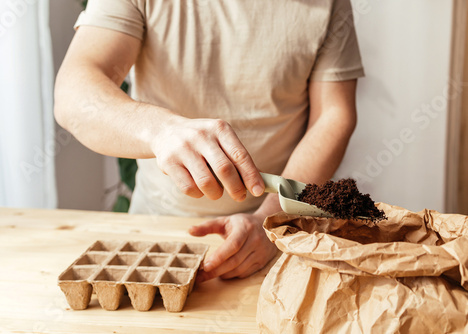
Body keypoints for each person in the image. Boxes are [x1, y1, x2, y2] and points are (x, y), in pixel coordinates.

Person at [54, 0, 364, 282]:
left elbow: (333, 116)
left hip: (281, 233)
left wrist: (272, 221)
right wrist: (161, 130)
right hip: (160, 226)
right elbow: (74, 92)